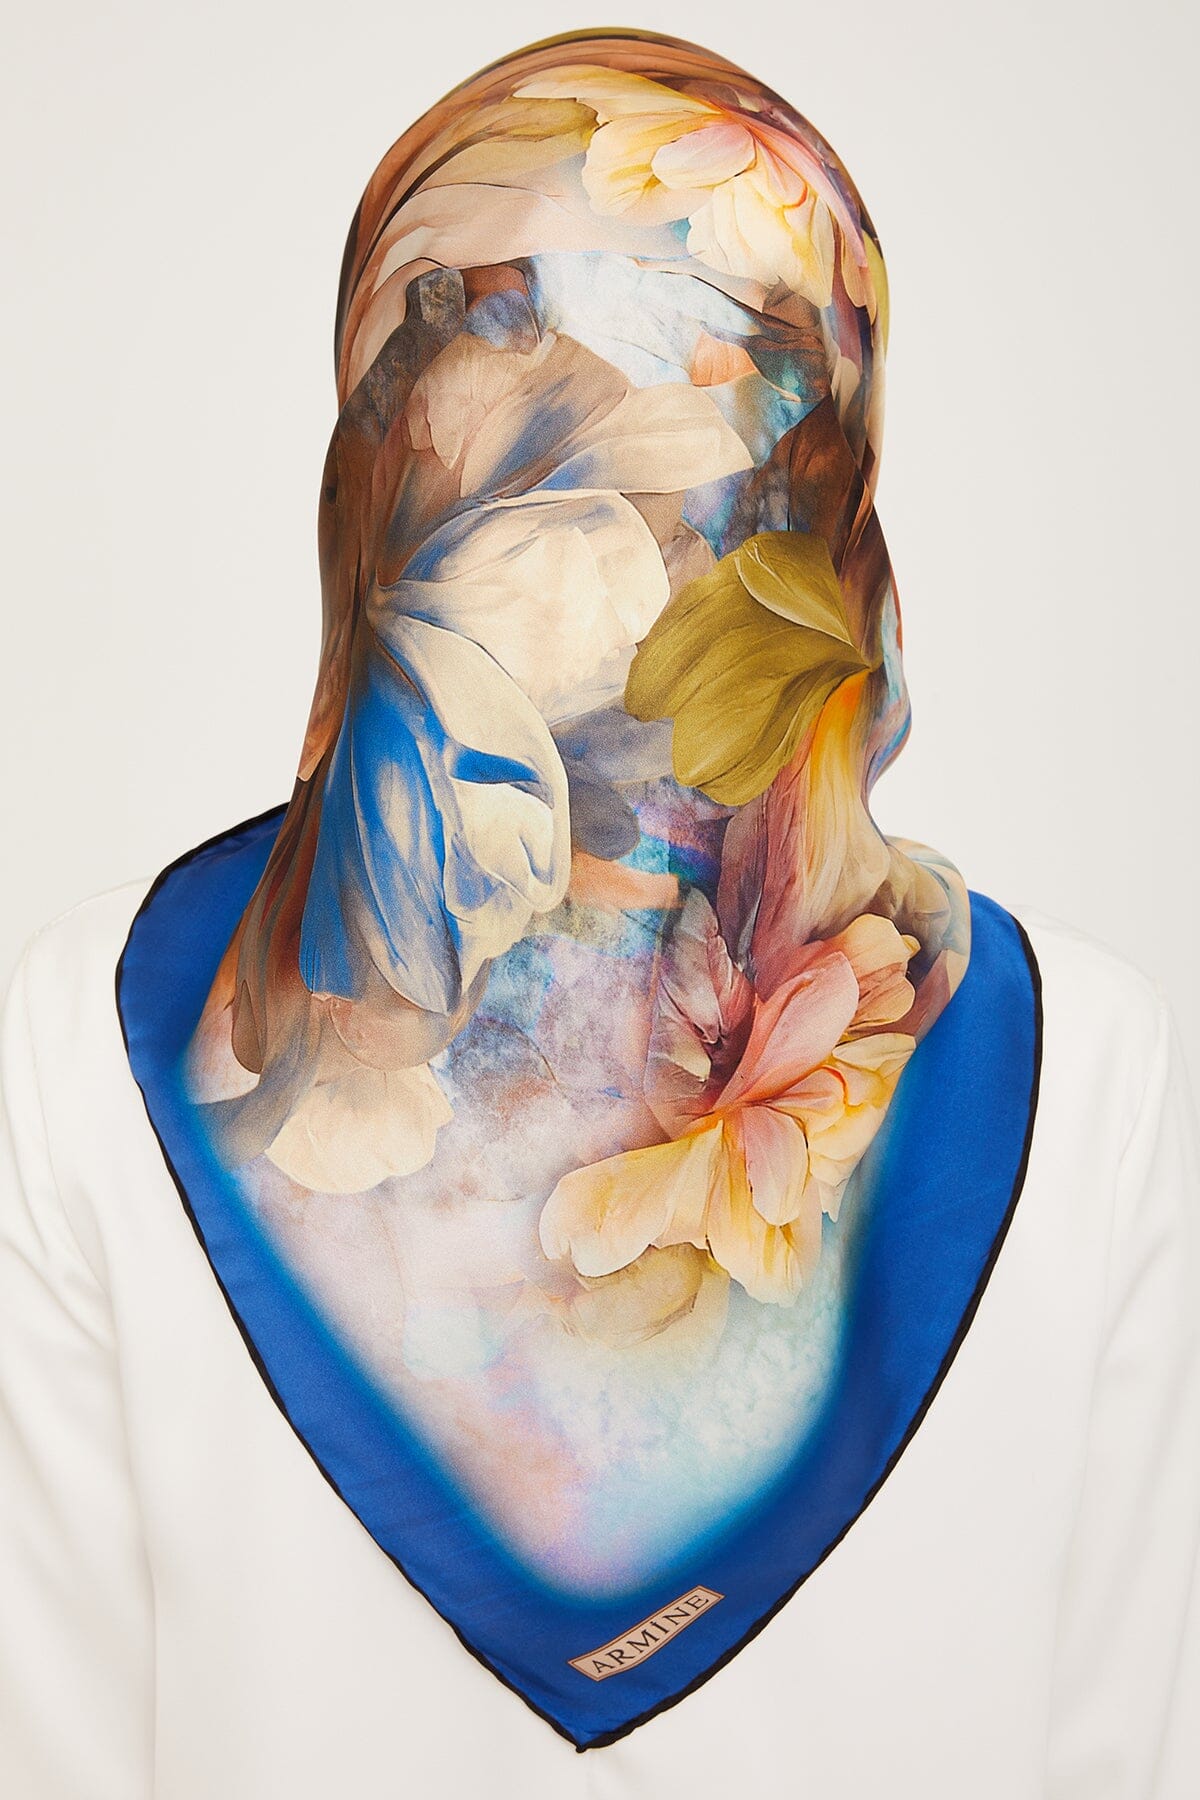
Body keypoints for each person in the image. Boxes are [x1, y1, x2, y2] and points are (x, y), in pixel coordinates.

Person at [2, 26, 1198, 1799]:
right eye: (513, 379)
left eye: (737, 415)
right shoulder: (94, 1051)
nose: (654, 540)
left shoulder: (1083, 1078)